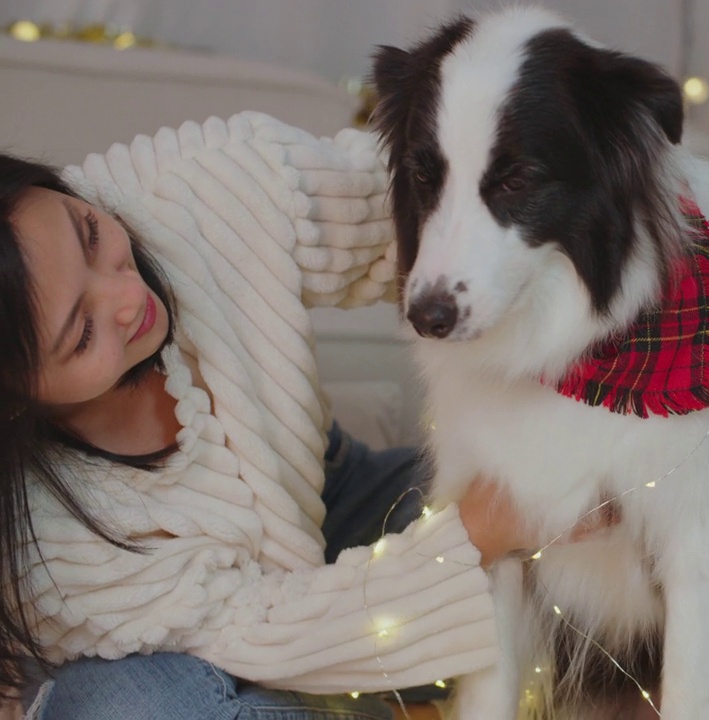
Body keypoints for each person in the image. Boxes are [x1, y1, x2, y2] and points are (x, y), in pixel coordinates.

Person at [0, 112, 621, 719]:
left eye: (90, 234)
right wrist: (478, 531)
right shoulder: (54, 556)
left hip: (325, 495)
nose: (129, 296)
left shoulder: (199, 187)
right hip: (197, 648)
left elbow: (409, 203)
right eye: (82, 331)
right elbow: (271, 628)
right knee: (131, 706)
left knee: (593, 502)